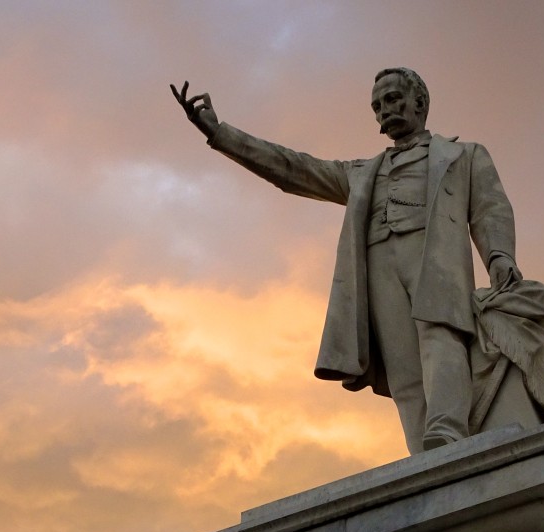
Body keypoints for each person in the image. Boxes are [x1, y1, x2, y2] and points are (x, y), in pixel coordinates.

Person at [172, 68, 522, 454]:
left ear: (420, 102)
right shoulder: (361, 173)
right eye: (377, 105)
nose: (383, 110)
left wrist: (499, 256)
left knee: (440, 337)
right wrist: (220, 134)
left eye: (392, 99)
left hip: (432, 253)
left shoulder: (464, 155)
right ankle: (424, 453)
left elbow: (491, 209)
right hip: (378, 263)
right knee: (403, 366)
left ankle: (448, 430)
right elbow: (292, 169)